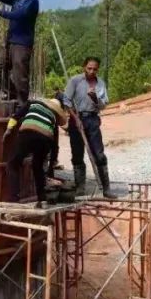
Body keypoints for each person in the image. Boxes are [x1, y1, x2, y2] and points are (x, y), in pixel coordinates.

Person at [2, 94, 68, 203]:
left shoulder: (32, 104)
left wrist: (8, 130)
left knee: (13, 163)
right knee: (37, 167)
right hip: (45, 139)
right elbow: (54, 144)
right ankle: (41, 197)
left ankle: (14, 198)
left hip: (27, 133)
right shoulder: (53, 118)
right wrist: (52, 163)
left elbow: (15, 116)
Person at [63, 57, 114, 198]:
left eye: (95, 69)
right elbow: (66, 101)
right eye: (89, 68)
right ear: (84, 67)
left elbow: (103, 105)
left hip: (92, 120)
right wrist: (75, 118)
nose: (91, 71)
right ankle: (80, 188)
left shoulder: (100, 84)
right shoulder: (75, 81)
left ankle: (106, 188)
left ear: (98, 69)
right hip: (76, 119)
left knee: (99, 154)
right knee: (77, 155)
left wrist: (95, 98)